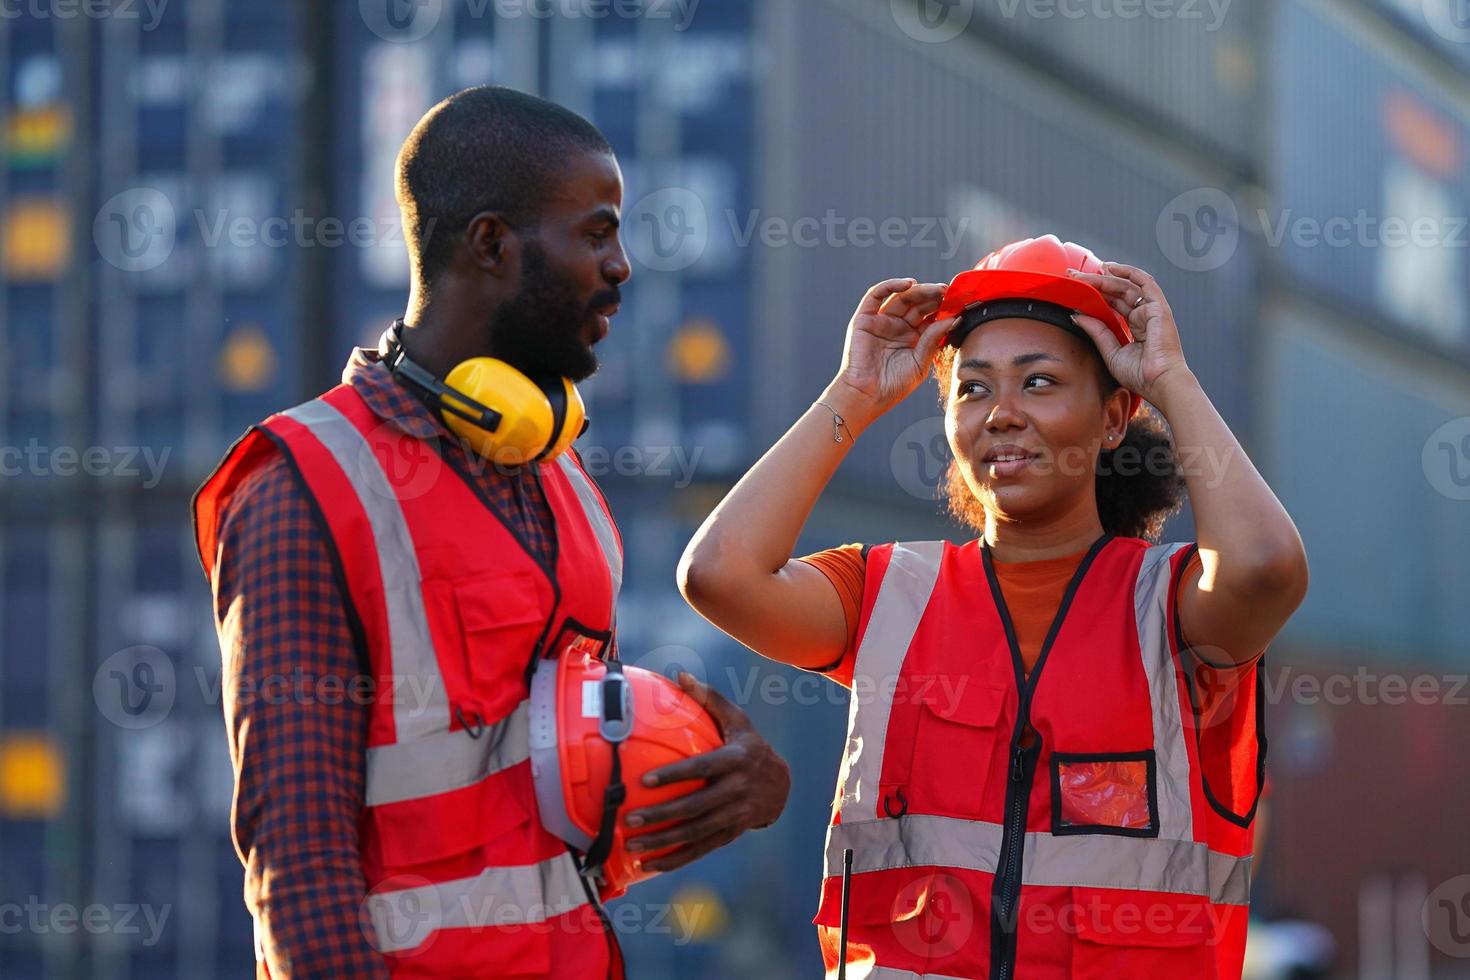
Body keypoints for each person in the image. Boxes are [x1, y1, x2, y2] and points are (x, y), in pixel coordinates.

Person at [191, 86, 789, 979]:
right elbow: (299, 873)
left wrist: (740, 781)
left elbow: (569, 789)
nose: (623, 267)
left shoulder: (561, 475)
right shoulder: (303, 486)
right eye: (597, 233)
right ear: (491, 244)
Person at [678, 235, 1308, 978]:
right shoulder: (890, 595)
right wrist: (852, 395)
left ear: (1113, 419)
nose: (1000, 414)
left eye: (1038, 383)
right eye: (972, 389)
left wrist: (1170, 379)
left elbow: (1267, 567)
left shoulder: (1174, 609)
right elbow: (719, 575)